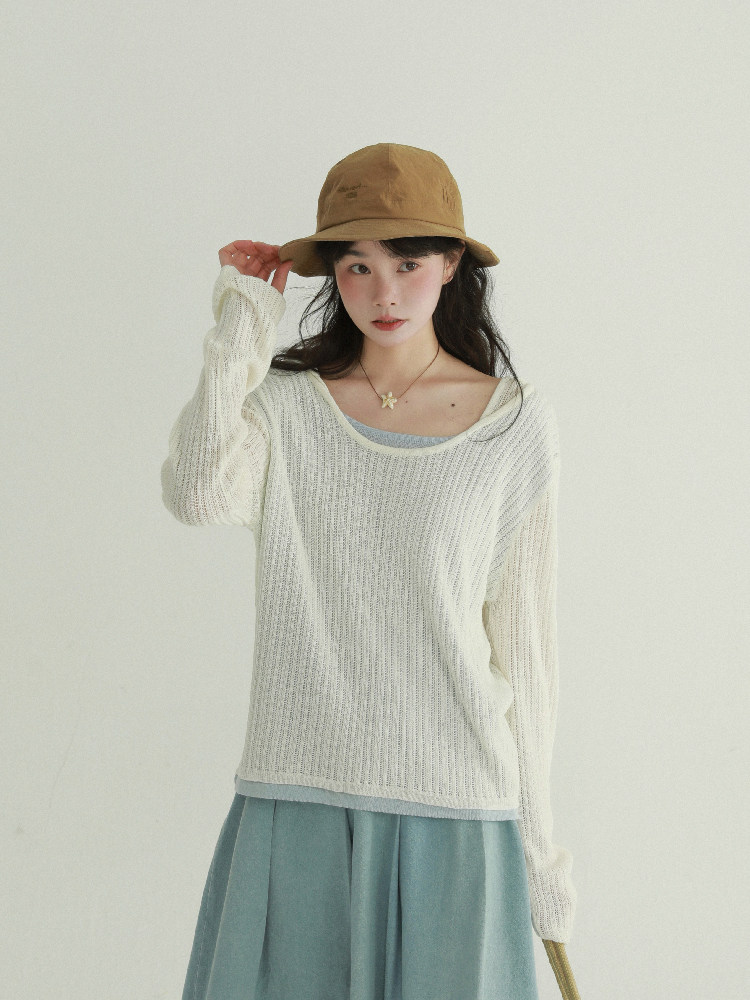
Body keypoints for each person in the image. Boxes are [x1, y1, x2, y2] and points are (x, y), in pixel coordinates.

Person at [161, 143, 580, 1000]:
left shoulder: (515, 427)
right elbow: (198, 492)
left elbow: (529, 662)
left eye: (407, 263)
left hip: (458, 814)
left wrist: (542, 862)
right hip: (297, 800)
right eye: (357, 266)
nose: (383, 293)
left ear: (452, 264)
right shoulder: (289, 407)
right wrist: (243, 321)